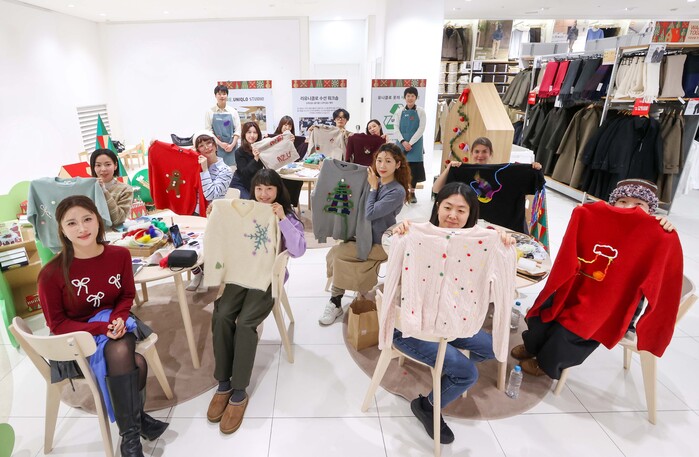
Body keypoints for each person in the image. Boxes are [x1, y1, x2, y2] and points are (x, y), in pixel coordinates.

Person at [37, 195, 168, 457]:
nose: (82, 228)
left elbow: (126, 295)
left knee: (120, 346)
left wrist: (117, 317)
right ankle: (136, 428)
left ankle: (130, 439)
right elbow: (58, 324)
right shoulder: (51, 274)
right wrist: (100, 328)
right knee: (136, 362)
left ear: (98, 220)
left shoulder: (119, 255)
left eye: (87, 219)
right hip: (75, 339)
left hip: (115, 321)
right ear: (61, 229)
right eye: (71, 223)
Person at [511, 179, 677, 378]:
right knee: (544, 313)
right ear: (613, 202)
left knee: (570, 333)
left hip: (609, 303)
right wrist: (585, 215)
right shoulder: (593, 217)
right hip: (576, 284)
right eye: (623, 201)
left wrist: (651, 333)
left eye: (639, 204)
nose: (629, 208)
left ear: (650, 210)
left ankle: (545, 364)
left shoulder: (659, 235)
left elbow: (664, 289)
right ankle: (532, 346)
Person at [390, 182, 515, 444]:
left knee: (490, 348)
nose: (453, 215)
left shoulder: (481, 243)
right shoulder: (414, 234)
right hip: (413, 326)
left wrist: (502, 247)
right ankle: (427, 405)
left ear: (471, 214)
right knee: (468, 373)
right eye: (447, 207)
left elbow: (496, 289)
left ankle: (446, 359)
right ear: (437, 207)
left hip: (453, 320)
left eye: (461, 210)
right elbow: (394, 271)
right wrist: (399, 234)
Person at [207, 169, 306, 434]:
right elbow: (225, 235)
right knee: (221, 314)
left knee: (245, 322)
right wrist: (215, 215)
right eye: (259, 188)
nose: (263, 194)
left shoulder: (286, 215)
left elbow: (298, 250)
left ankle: (239, 389)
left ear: (278, 190)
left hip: (267, 278)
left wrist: (282, 218)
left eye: (269, 188)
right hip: (241, 274)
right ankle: (223, 382)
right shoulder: (246, 211)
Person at [320, 143, 411, 325]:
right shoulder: (374, 180)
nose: (382, 165)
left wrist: (373, 189)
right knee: (338, 252)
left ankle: (335, 301)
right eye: (379, 160)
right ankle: (337, 300)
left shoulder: (397, 191)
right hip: (361, 236)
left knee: (338, 254)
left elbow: (370, 213)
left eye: (388, 161)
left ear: (398, 164)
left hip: (378, 243)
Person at [432, 136, 543, 233]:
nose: (480, 155)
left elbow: (531, 191)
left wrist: (533, 169)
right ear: (471, 153)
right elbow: (436, 189)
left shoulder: (507, 173)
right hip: (469, 227)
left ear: (491, 154)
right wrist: (449, 168)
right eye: (477, 151)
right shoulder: (462, 171)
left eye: (484, 151)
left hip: (499, 228)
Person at [185, 131, 234, 291]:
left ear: (215, 145)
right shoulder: (194, 165)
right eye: (201, 145)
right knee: (187, 243)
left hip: (214, 215)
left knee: (206, 246)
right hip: (193, 212)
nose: (206, 147)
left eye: (209, 143)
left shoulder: (225, 170)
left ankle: (207, 274)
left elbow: (211, 194)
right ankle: (197, 273)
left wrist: (204, 169)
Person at [394, 87, 427, 203]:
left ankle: (412, 193)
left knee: (414, 170)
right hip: (401, 143)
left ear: (416, 97)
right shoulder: (399, 111)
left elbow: (421, 128)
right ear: (405, 97)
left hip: (415, 145)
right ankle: (403, 192)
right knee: (400, 168)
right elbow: (395, 128)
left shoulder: (421, 111)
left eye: (412, 96)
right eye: (408, 96)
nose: (410, 98)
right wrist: (403, 141)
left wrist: (410, 143)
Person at [269, 115, 309, 208]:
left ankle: (291, 205)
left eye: (289, 126)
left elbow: (297, 157)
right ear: (280, 125)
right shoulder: (273, 139)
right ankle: (283, 204)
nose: (287, 128)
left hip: (290, 169)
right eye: (285, 125)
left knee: (297, 181)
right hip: (277, 169)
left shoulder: (294, 139)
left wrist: (292, 143)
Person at [90, 148, 134, 227]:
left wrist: (104, 191)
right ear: (93, 167)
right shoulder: (89, 189)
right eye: (98, 165)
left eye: (108, 164)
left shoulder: (125, 190)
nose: (103, 169)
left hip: (114, 233)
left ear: (115, 165)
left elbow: (118, 219)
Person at [205, 84, 241, 167]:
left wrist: (232, 145)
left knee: (232, 169)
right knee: (217, 169)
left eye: (224, 94)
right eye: (219, 94)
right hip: (216, 147)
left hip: (232, 147)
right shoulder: (210, 112)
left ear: (227, 95)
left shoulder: (233, 111)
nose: (222, 96)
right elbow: (209, 132)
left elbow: (238, 130)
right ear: (215, 95)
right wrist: (220, 144)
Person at [229, 121, 264, 199]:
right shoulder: (239, 152)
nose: (252, 135)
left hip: (255, 183)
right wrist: (255, 158)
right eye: (249, 132)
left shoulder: (261, 149)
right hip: (240, 183)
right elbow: (245, 173)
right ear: (244, 134)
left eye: (255, 132)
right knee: (249, 202)